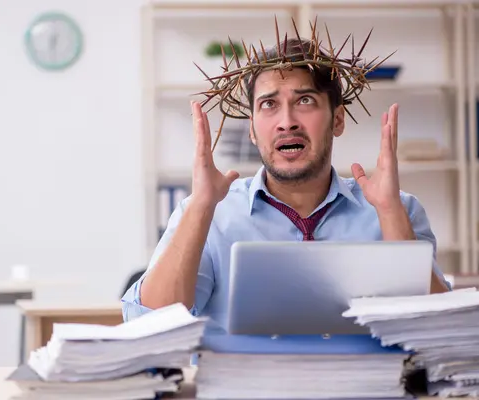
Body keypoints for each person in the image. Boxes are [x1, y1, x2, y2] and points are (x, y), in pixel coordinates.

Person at [121, 36, 451, 330]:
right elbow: (147, 327)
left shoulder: (397, 209)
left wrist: (390, 214)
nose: (287, 122)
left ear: (337, 119)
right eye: (269, 104)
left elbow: (439, 332)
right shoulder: (210, 214)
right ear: (252, 129)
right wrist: (201, 208)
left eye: (304, 101)